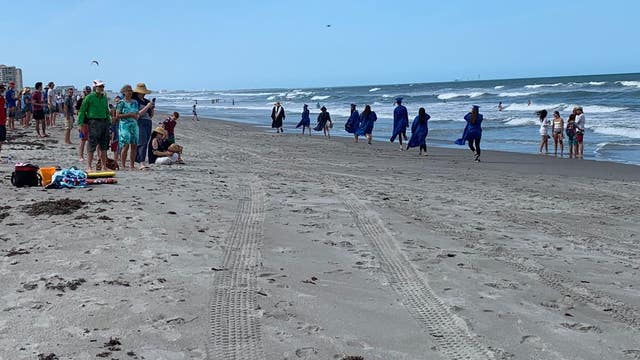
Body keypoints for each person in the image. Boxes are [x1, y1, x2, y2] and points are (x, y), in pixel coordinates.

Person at [77, 79, 111, 171]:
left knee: (104, 146)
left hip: (104, 122)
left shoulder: (104, 97)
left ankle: (104, 166)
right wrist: (80, 124)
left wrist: (109, 121)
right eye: (99, 86)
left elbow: (106, 111)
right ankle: (89, 166)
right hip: (93, 122)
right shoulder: (89, 97)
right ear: (95, 87)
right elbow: (82, 111)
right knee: (92, 144)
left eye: (102, 86)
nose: (101, 88)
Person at [116, 85, 139, 170]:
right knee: (125, 145)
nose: (130, 92)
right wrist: (129, 115)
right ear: (124, 92)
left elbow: (136, 113)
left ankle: (132, 165)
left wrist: (137, 116)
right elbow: (117, 115)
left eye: (131, 91)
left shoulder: (135, 102)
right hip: (124, 125)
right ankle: (123, 165)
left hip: (134, 124)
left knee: (134, 145)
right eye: (128, 91)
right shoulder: (121, 103)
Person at [133, 83, 155, 169]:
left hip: (148, 122)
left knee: (145, 141)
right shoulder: (135, 101)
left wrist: (152, 108)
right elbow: (137, 114)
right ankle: (141, 162)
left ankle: (138, 160)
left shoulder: (146, 101)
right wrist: (147, 107)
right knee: (142, 142)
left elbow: (151, 116)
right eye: (142, 92)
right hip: (139, 122)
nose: (144, 93)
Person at [76, 86, 92, 161]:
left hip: (91, 122)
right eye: (87, 91)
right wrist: (79, 124)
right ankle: (80, 156)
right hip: (83, 122)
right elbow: (78, 112)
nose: (88, 92)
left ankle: (89, 155)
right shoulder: (81, 100)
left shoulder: (92, 100)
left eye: (89, 91)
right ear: (84, 92)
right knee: (83, 140)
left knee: (90, 140)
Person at [0, 84, 6, 152]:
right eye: (2, 88)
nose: (3, 90)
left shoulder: (2, 97)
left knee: (2, 139)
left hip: (2, 120)